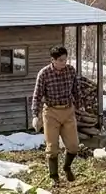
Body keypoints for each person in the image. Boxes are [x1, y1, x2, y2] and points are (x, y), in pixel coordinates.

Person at [31, 45, 80, 183]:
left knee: (74, 146)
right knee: (52, 147)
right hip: (51, 112)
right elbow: (37, 95)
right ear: (53, 60)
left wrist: (79, 106)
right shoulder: (44, 74)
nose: (64, 63)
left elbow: (76, 90)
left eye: (65, 59)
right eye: (60, 60)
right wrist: (35, 115)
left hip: (68, 111)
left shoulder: (70, 71)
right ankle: (54, 177)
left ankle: (67, 167)